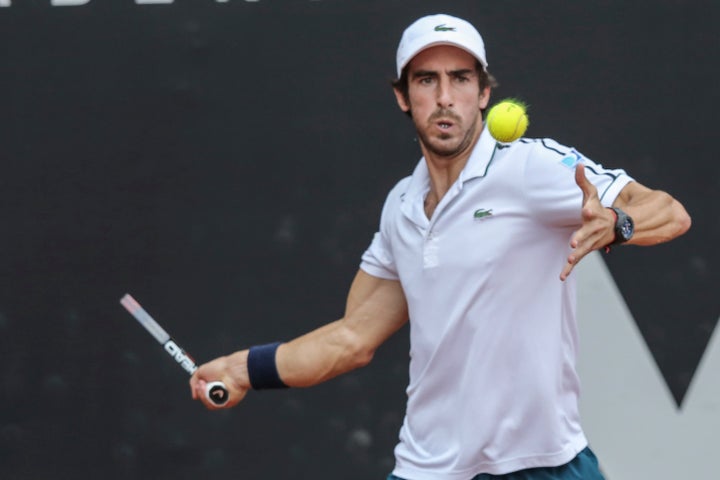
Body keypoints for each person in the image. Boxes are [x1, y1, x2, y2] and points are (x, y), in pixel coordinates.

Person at [190, 13, 691, 480]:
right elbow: (351, 340)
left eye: (461, 78)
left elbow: (668, 211)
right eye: (427, 80)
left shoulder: (530, 167)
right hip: (427, 468)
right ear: (403, 97)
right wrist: (242, 368)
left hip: (543, 464)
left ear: (485, 93)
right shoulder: (400, 208)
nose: (445, 96)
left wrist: (620, 222)